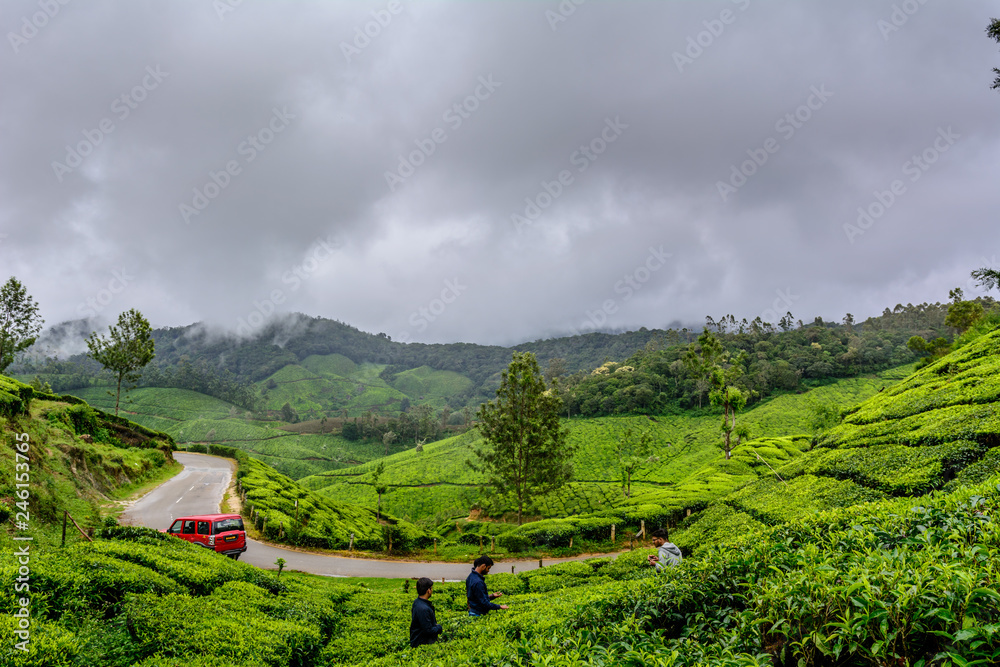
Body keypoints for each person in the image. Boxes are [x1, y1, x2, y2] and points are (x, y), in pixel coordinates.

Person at [409, 577, 443, 648]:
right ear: (428, 590)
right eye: (431, 588)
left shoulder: (417, 602)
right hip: (422, 643)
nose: (432, 590)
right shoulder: (423, 609)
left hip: (418, 641)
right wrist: (439, 628)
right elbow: (428, 630)